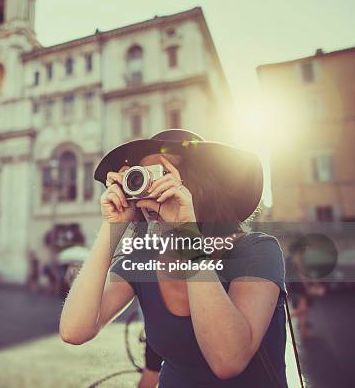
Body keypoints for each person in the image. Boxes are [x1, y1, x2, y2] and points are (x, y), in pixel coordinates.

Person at [60, 129, 289, 387]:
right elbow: (74, 330)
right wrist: (110, 227)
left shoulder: (257, 250)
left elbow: (228, 360)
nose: (152, 189)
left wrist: (186, 231)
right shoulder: (142, 259)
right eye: (142, 179)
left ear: (198, 186)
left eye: (163, 176)